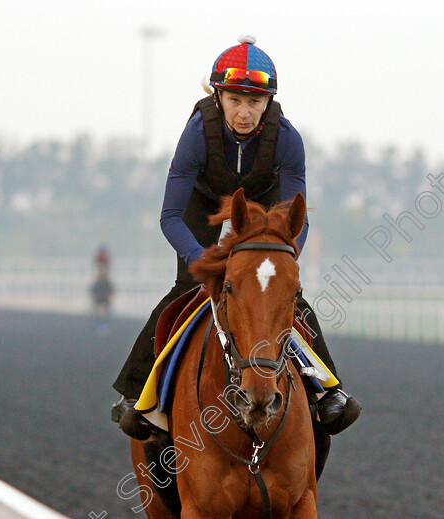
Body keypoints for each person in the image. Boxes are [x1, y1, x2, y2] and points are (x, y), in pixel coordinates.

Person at [111, 35, 360, 441]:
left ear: (268, 103)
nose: (244, 113)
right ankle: (135, 391)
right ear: (218, 95)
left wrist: (283, 257)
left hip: (261, 206)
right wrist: (203, 260)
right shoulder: (196, 133)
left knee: (281, 293)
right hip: (200, 204)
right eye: (235, 101)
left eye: (255, 102)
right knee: (187, 286)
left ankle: (328, 391)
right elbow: (171, 215)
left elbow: (298, 217)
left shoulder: (288, 139)